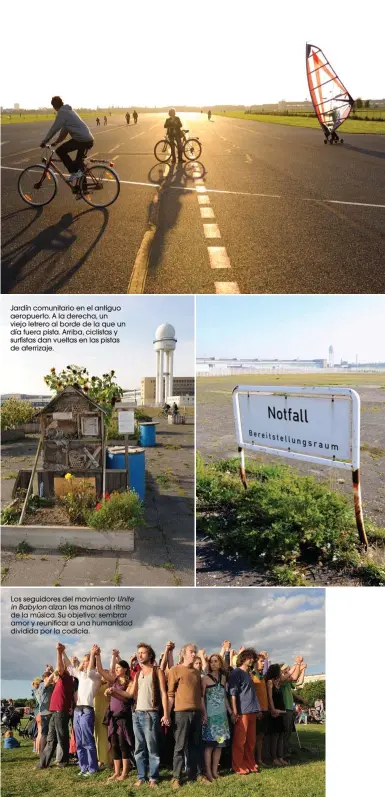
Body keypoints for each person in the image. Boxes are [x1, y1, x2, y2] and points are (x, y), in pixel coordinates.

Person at [127, 643, 170, 787]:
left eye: (143, 652)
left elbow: (164, 692)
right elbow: (130, 694)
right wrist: (113, 691)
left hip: (150, 714)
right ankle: (141, 777)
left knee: (152, 748)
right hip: (137, 714)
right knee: (139, 748)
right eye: (138, 652)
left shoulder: (157, 671)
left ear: (150, 655)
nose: (140, 655)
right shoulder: (138, 674)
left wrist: (166, 713)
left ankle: (153, 778)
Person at [167, 643, 204, 788]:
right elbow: (170, 694)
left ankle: (197, 774)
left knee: (196, 745)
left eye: (195, 651)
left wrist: (203, 713)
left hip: (196, 713)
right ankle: (176, 777)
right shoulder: (175, 670)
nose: (194, 654)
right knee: (180, 746)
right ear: (183, 653)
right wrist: (167, 714)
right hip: (181, 713)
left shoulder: (196, 672)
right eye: (191, 651)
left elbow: (200, 696)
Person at [95, 648, 134, 782]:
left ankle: (125, 772)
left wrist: (114, 692)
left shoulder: (130, 682)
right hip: (113, 716)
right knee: (114, 744)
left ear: (125, 669)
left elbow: (128, 698)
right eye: (116, 667)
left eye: (118, 667)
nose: (116, 669)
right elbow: (100, 671)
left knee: (124, 745)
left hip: (123, 717)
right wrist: (98, 655)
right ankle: (116, 772)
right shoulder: (114, 680)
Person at [62, 645, 101, 777]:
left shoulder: (95, 675)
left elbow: (90, 671)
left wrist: (92, 654)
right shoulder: (82, 675)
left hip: (87, 710)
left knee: (87, 740)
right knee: (79, 741)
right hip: (77, 711)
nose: (84, 663)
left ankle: (92, 768)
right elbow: (69, 667)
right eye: (83, 660)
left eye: (86, 660)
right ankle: (83, 767)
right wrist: (62, 652)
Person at [40, 96, 94, 184]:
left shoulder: (62, 113)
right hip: (88, 139)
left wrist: (45, 141)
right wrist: (56, 142)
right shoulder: (69, 111)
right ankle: (82, 190)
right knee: (79, 165)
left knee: (60, 151)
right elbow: (64, 132)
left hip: (81, 140)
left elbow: (54, 128)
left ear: (54, 106)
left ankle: (73, 172)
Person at [37, 643, 73, 769]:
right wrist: (53, 669)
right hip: (55, 711)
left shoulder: (66, 678)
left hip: (60, 711)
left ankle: (63, 761)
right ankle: (43, 763)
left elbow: (61, 669)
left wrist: (59, 651)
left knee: (61, 737)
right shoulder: (60, 680)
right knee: (51, 739)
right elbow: (59, 670)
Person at [228, 649, 261, 775]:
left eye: (253, 658)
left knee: (251, 741)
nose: (252, 660)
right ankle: (238, 766)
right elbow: (233, 693)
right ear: (244, 658)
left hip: (252, 711)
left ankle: (250, 763)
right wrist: (235, 711)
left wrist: (257, 709)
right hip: (242, 711)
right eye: (251, 658)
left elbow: (252, 693)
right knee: (240, 741)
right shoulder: (236, 673)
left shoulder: (249, 674)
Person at [201, 654, 234, 782]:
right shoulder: (205, 679)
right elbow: (201, 697)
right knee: (209, 746)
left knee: (219, 745)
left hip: (222, 719)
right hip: (210, 718)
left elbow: (224, 698)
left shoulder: (224, 678)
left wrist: (230, 712)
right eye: (211, 661)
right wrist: (204, 714)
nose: (213, 664)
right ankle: (208, 773)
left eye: (216, 661)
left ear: (220, 663)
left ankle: (215, 772)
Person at [280, 657, 306, 760]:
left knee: (289, 731)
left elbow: (299, 682)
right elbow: (295, 677)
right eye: (286, 669)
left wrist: (302, 670)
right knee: (285, 732)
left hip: (289, 708)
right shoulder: (282, 680)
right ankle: (282, 752)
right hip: (285, 708)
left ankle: (285, 750)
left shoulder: (287, 681)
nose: (288, 670)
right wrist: (298, 664)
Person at [265, 663, 287, 766]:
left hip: (281, 710)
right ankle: (274, 758)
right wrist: (273, 709)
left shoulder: (278, 682)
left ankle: (280, 756)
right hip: (275, 711)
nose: (281, 672)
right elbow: (270, 697)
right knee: (275, 735)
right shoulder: (270, 682)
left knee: (281, 734)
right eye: (279, 670)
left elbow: (290, 677)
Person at [251, 651, 269, 767]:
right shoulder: (252, 675)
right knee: (254, 736)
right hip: (257, 710)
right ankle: (252, 760)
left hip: (265, 709)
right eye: (261, 661)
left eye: (264, 661)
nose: (263, 663)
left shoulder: (262, 676)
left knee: (261, 736)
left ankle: (259, 759)